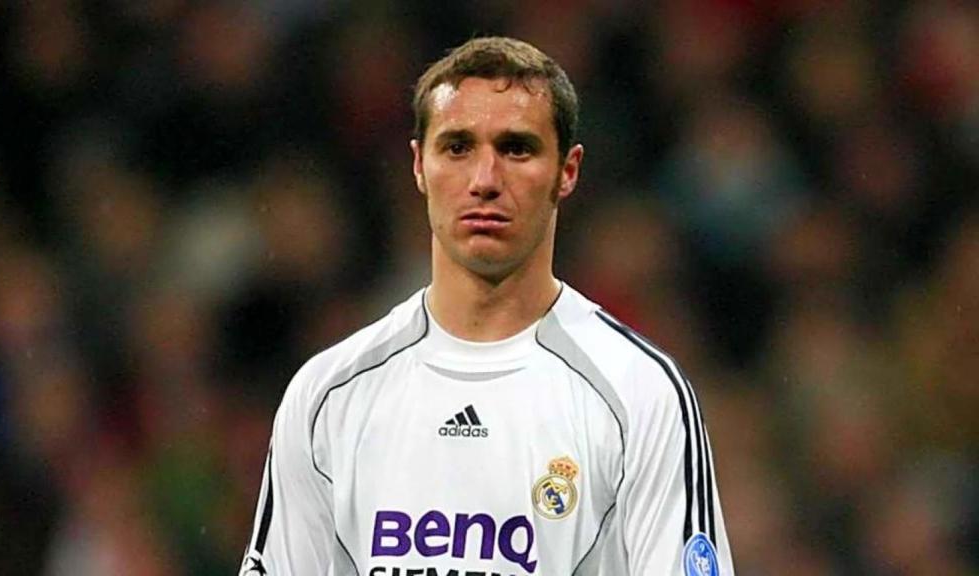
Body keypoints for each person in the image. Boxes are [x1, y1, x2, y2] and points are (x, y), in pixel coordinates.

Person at [238, 36, 734, 576]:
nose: (484, 181)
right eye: (457, 148)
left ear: (567, 171)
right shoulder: (329, 395)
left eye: (516, 148)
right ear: (419, 165)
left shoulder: (639, 393)